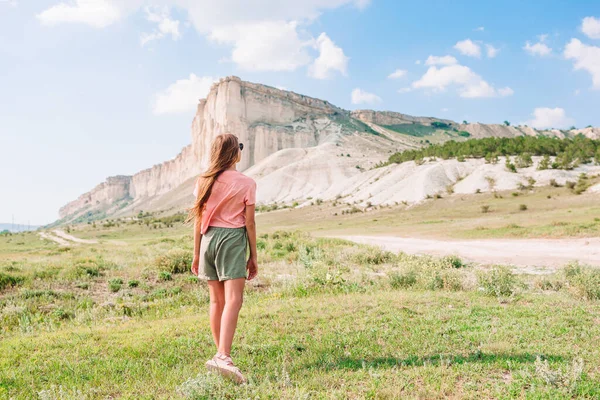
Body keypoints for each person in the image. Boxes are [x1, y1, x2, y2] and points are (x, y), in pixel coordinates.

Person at [188, 133, 258, 384]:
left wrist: (196, 253)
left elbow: (198, 220)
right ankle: (223, 357)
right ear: (233, 152)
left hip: (208, 240)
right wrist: (253, 256)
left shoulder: (204, 181)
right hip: (232, 240)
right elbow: (249, 222)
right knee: (234, 300)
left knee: (216, 301)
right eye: (239, 146)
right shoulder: (246, 182)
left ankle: (221, 357)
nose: (241, 150)